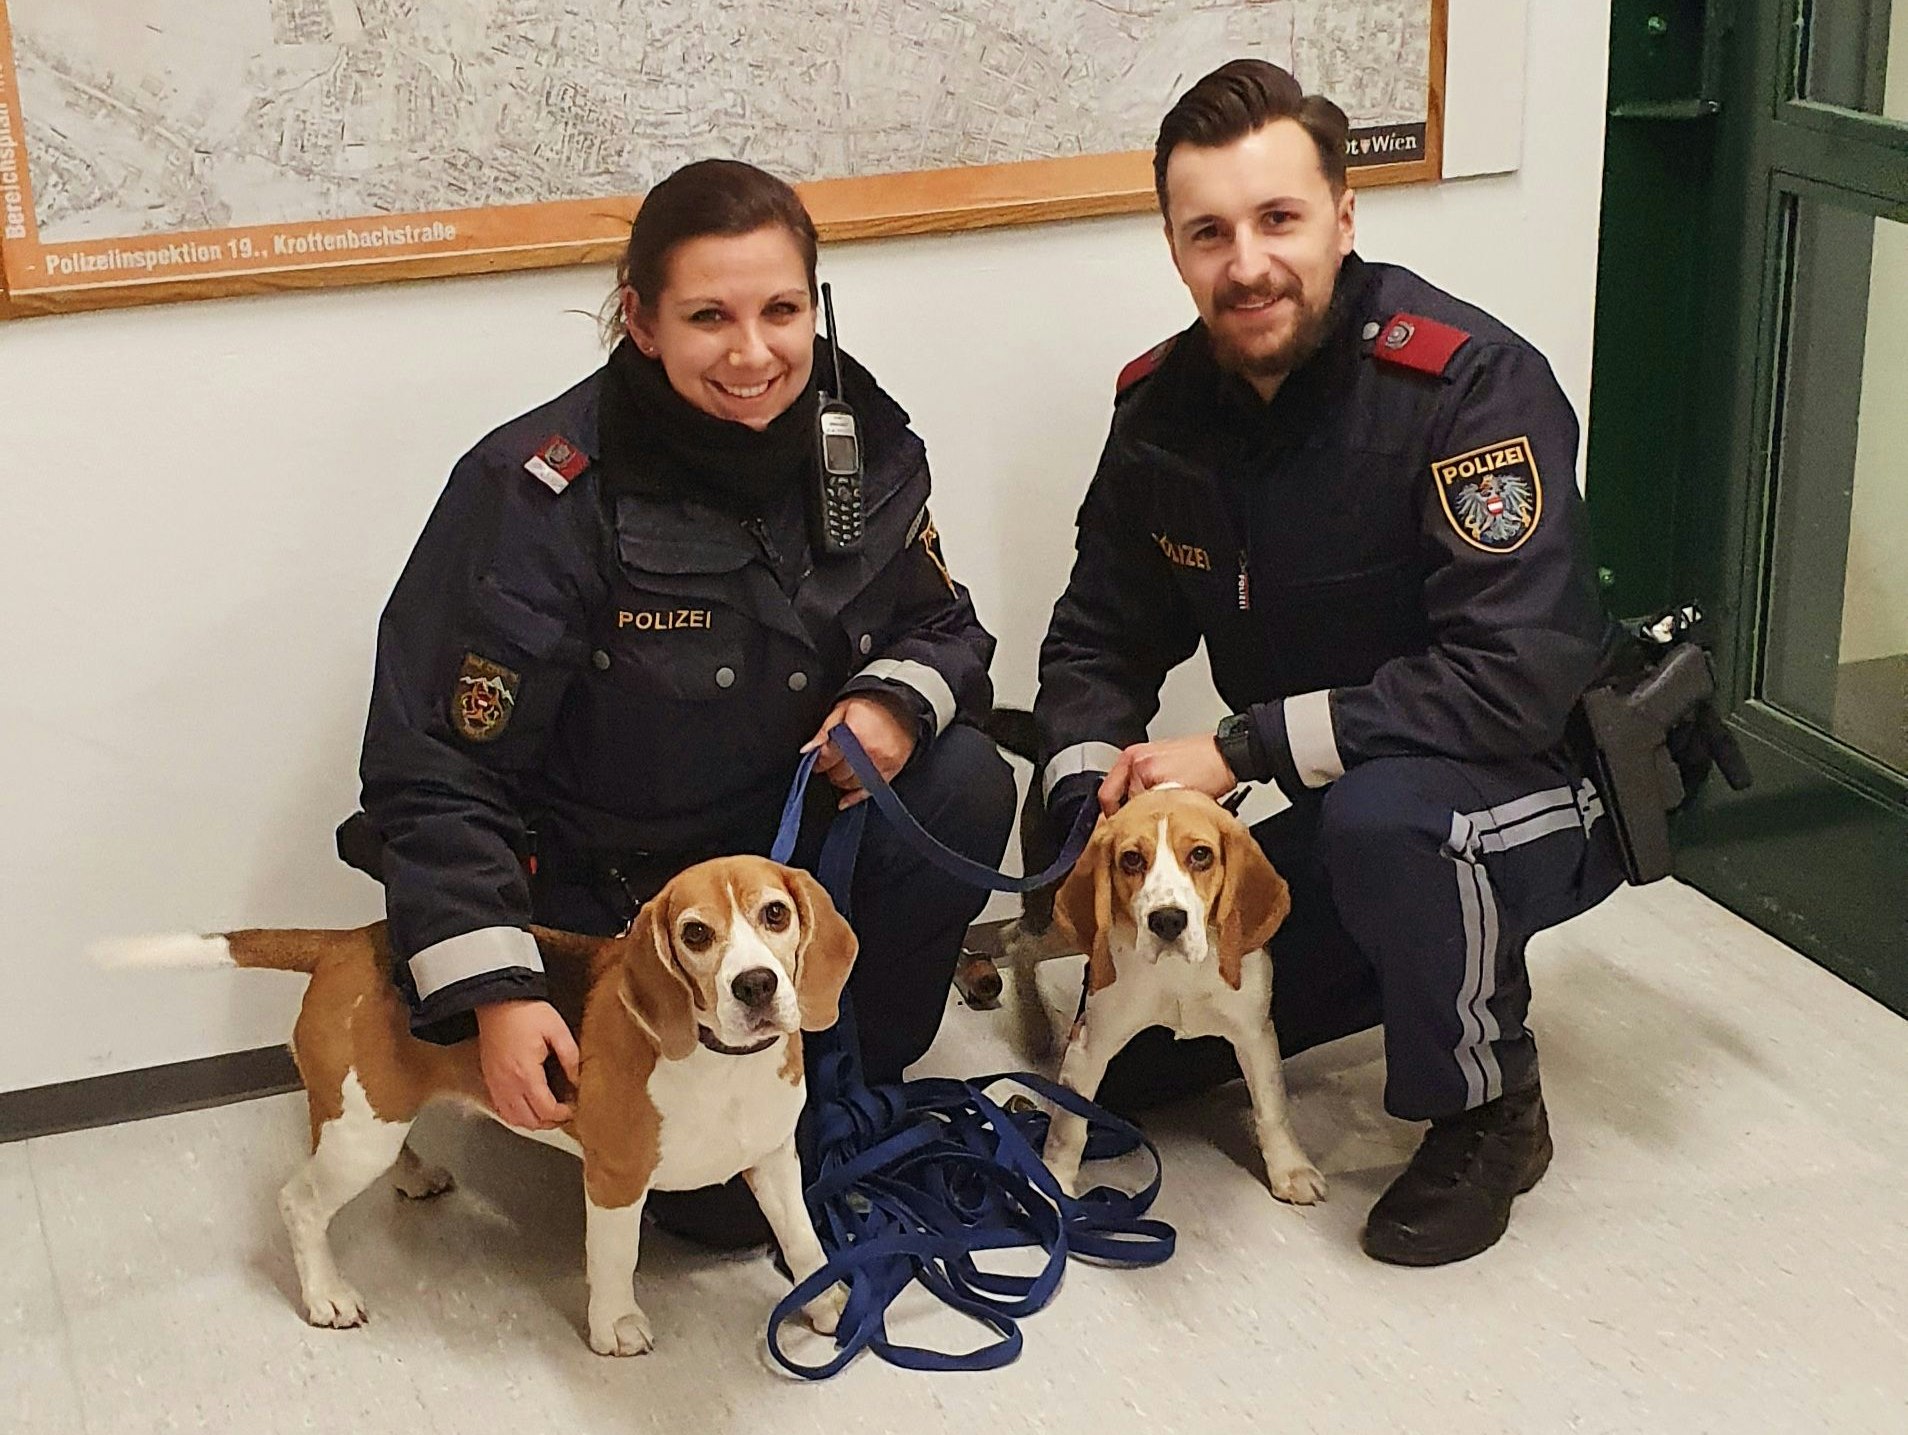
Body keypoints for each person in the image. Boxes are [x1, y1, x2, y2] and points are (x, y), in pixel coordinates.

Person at [348, 158, 1016, 1243]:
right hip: (627, 899)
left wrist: (892, 700)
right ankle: (762, 1110)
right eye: (710, 316)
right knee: (718, 1216)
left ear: (817, 306)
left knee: (966, 778)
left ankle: (841, 1078)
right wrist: (501, 996)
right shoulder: (536, 494)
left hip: (785, 865)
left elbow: (943, 623)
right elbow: (436, 765)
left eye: (783, 310)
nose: (755, 354)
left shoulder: (866, 439)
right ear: (641, 323)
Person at [1032, 60, 1626, 1266]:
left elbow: (1510, 675)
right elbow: (1100, 633)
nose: (1246, 262)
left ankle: (1487, 1108)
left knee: (1389, 827)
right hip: (1340, 787)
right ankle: (1403, 951)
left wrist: (1240, 747)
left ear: (1344, 219)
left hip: (1534, 779)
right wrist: (1085, 801)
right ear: (1174, 245)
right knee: (1153, 1061)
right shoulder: (1161, 411)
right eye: (1209, 232)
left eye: (1279, 219)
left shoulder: (1465, 386)